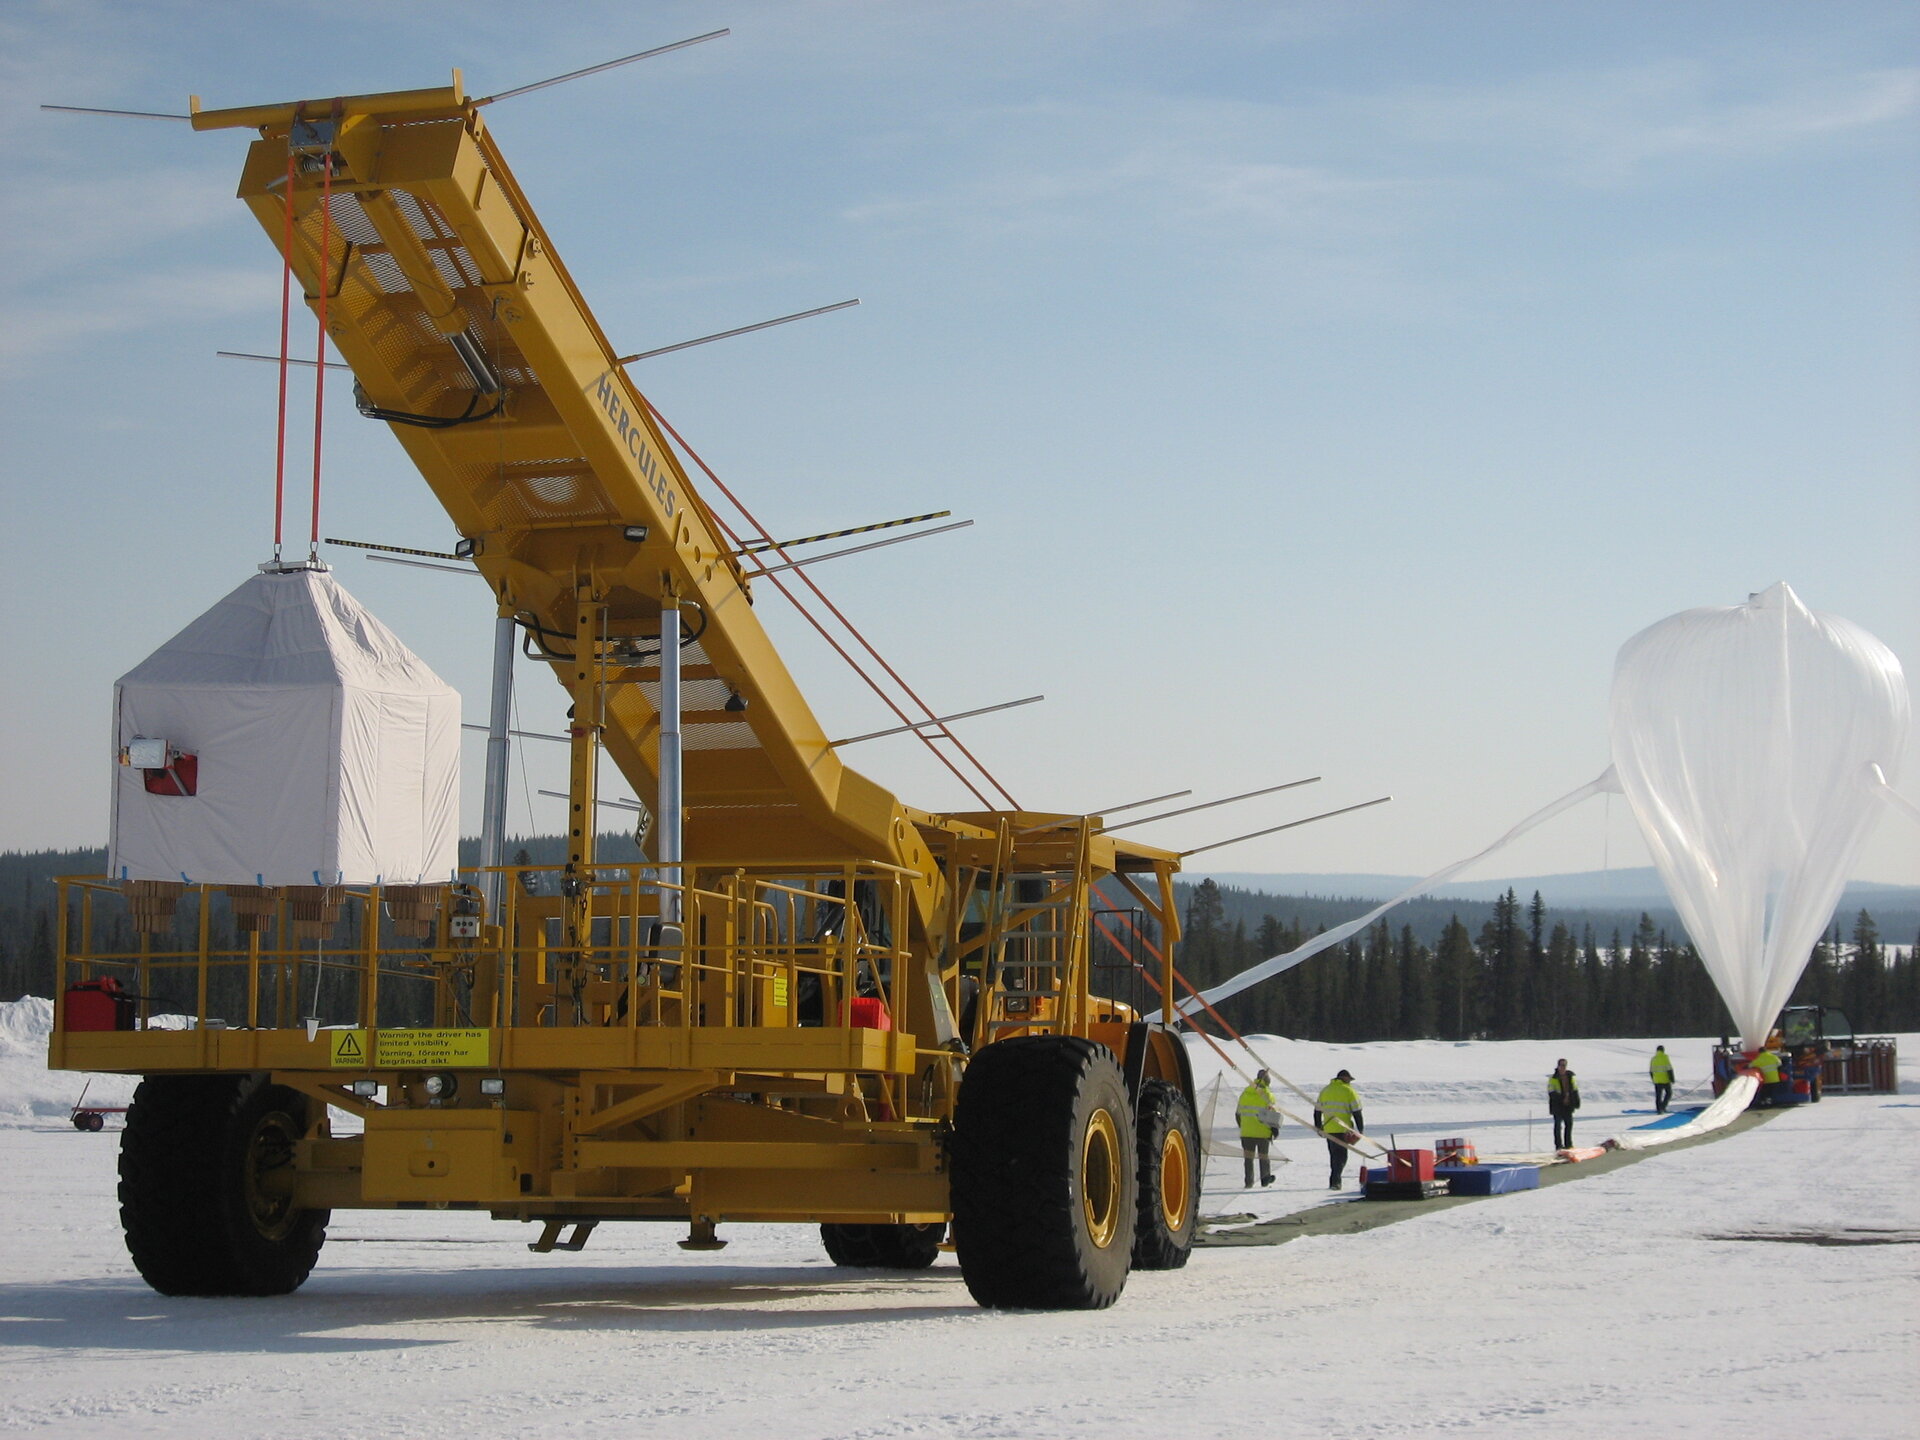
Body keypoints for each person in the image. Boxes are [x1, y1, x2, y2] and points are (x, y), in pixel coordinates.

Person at [1313, 1069, 1364, 1190]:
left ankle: (1334, 1181)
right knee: (1341, 1157)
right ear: (1345, 1078)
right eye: (1349, 1080)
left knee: (1334, 1155)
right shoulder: (1349, 1091)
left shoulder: (1325, 1090)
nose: (1350, 1082)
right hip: (1343, 1129)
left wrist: (1318, 1127)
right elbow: (1357, 1112)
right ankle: (1335, 1182)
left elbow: (1317, 1111)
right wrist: (1360, 1130)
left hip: (1329, 1128)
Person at [1236, 1069, 1280, 1188]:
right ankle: (1265, 1179)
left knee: (1248, 1159)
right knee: (1263, 1157)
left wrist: (1243, 1127)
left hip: (1246, 1132)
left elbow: (1238, 1113)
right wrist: (1274, 1130)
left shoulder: (1245, 1092)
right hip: (1262, 1132)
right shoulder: (1267, 1094)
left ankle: (1248, 1182)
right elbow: (1273, 1115)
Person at [1547, 1058, 1579, 1149]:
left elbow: (1575, 1090)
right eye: (1561, 1065)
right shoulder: (1553, 1078)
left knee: (1569, 1124)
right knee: (1558, 1126)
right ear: (1558, 1066)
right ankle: (1559, 1146)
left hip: (1568, 1105)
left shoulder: (1570, 1077)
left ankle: (1568, 1144)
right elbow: (1551, 1092)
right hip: (1557, 1105)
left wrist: (1576, 1102)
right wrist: (1562, 1099)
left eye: (1564, 1065)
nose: (1563, 1067)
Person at [1649, 1044, 1675, 1114]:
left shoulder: (1653, 1059)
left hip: (1657, 1081)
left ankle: (1659, 1109)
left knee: (1658, 1096)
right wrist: (1672, 1079)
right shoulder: (1665, 1057)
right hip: (1666, 1080)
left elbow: (1651, 1071)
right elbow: (1669, 1069)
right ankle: (1663, 1107)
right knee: (1669, 1093)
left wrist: (1653, 1079)